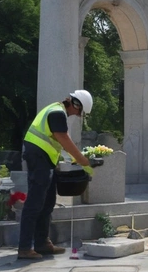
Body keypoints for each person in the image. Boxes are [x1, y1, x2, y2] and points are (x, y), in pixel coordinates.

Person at [17, 90, 94, 260]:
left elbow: (53, 143)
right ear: (76, 105)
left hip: (43, 159)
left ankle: (42, 243)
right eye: (80, 112)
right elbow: (63, 139)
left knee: (48, 201)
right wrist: (83, 160)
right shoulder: (57, 113)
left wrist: (63, 162)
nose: (78, 116)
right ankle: (24, 248)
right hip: (38, 159)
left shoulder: (55, 110)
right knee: (35, 202)